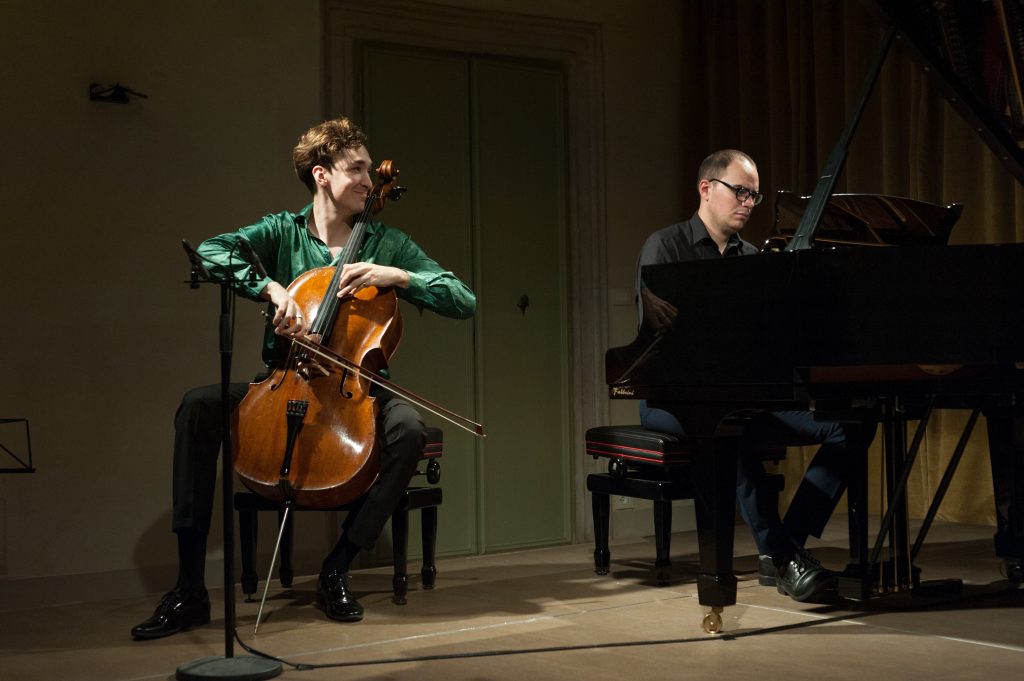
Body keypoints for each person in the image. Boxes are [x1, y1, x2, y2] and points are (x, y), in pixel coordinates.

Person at [131, 117, 476, 639]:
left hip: (355, 388)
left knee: (408, 431)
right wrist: (271, 288)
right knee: (197, 406)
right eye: (355, 169)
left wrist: (398, 276)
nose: (367, 181)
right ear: (321, 174)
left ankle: (337, 566)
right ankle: (189, 589)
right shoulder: (281, 232)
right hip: (284, 377)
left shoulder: (386, 242)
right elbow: (211, 252)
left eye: (369, 171)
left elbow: (462, 299)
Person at [635, 149, 876, 603]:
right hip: (671, 399)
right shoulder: (665, 247)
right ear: (706, 189)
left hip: (742, 395)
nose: (748, 203)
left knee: (852, 426)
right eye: (740, 191)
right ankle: (784, 559)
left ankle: (787, 542)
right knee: (731, 428)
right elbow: (660, 336)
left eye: (754, 195)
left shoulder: (751, 257)